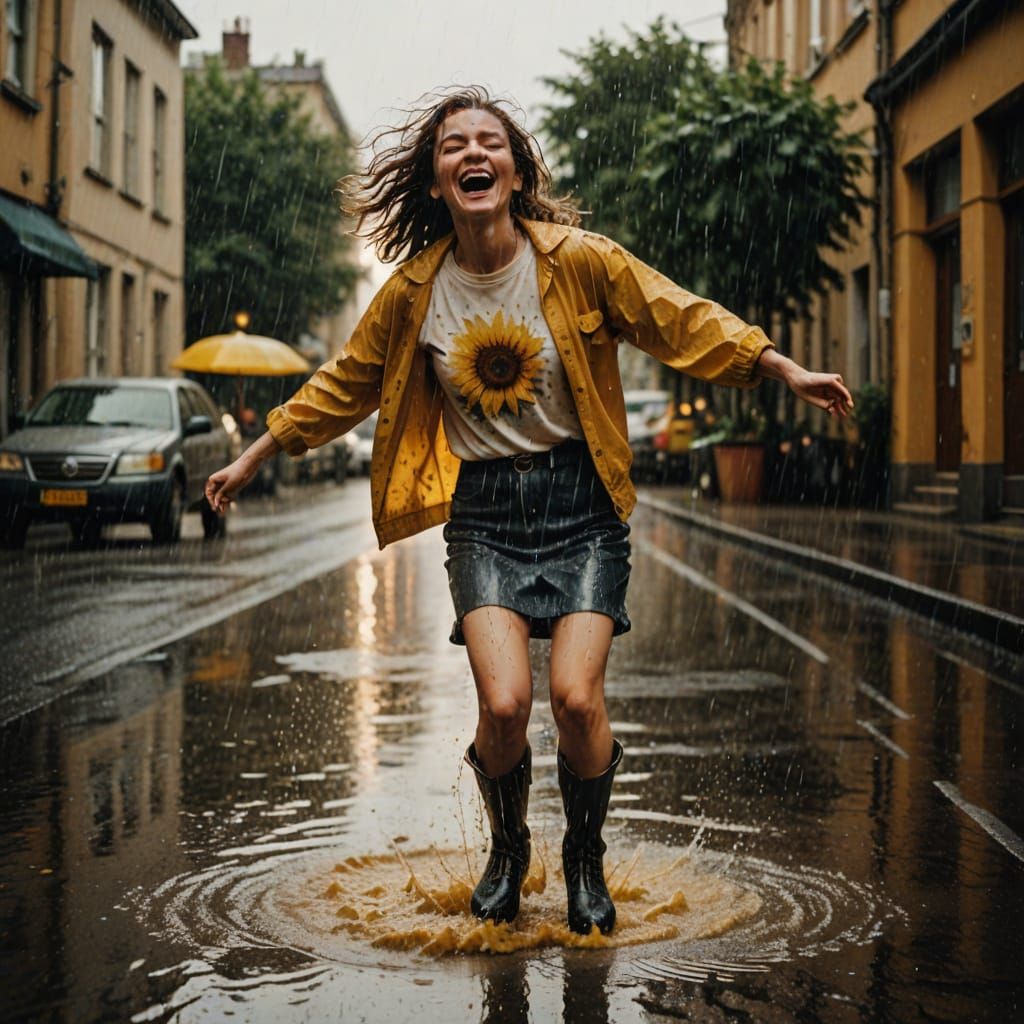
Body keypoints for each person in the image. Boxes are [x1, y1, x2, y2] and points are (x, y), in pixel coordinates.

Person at [205, 87, 852, 937]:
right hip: (486, 516)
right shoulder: (412, 293)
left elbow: (676, 315)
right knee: (506, 706)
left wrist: (781, 367)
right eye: (453, 146)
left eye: (490, 143)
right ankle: (509, 852)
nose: (473, 154)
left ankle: (584, 860)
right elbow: (344, 383)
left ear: (515, 170)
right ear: (437, 180)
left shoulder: (578, 262)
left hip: (583, 507)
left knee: (576, 699)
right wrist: (253, 453)